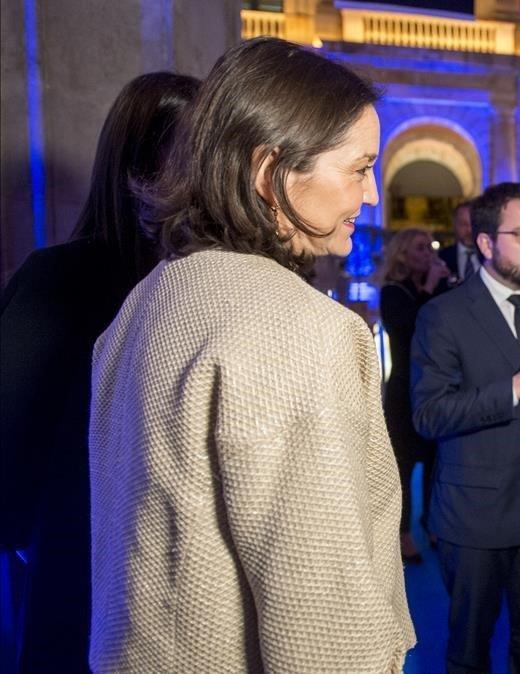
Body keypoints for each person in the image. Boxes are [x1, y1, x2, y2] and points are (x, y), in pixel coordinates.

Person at [87, 37, 415, 671]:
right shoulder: (297, 328)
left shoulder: (148, 300)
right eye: (358, 167)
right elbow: (319, 616)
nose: (371, 195)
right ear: (271, 172)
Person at [0, 71, 199, 673]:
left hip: (186, 585)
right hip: (83, 572)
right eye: (196, 151)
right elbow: (11, 448)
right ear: (143, 161)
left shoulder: (207, 283)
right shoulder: (59, 278)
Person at [411, 182, 520, 673]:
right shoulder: (442, 315)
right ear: (486, 244)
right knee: (470, 646)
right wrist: (514, 388)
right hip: (474, 514)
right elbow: (429, 415)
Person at [377, 227, 451, 562]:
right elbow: (412, 329)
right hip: (404, 390)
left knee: (436, 461)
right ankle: (404, 533)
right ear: (403, 254)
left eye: (429, 247)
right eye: (420, 248)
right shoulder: (393, 291)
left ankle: (432, 522)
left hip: (434, 386)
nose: (428, 254)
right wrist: (431, 288)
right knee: (403, 466)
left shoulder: (436, 288)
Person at [439, 199, 480, 284]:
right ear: (454, 225)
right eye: (463, 224)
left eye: (473, 224)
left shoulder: (492, 257)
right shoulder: (442, 257)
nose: (469, 230)